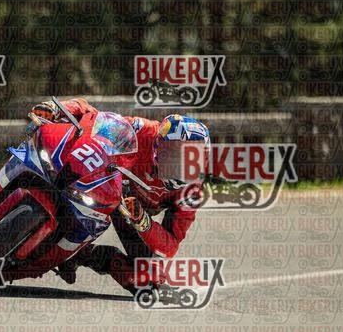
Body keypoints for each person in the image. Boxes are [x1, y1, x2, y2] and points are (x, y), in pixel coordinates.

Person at [31, 98, 210, 295]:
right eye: (176, 155)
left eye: (192, 157)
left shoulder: (192, 191)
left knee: (148, 281)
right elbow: (95, 116)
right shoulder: (143, 130)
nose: (182, 165)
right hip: (105, 183)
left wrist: (143, 222)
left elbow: (170, 245)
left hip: (132, 211)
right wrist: (57, 108)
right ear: (159, 145)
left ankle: (86, 255)